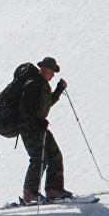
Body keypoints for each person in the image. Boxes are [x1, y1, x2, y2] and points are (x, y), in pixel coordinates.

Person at [19, 56, 71, 202]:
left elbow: (45, 105)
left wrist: (59, 90)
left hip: (39, 128)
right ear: (44, 70)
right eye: (51, 71)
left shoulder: (42, 85)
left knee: (54, 155)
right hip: (30, 129)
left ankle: (53, 189)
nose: (53, 75)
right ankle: (30, 192)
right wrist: (36, 121)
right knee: (38, 158)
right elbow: (25, 109)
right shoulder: (33, 84)